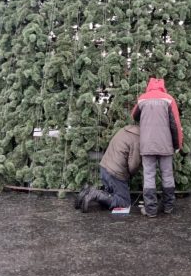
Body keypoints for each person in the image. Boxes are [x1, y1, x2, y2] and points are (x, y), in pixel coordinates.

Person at [132, 77, 183, 217]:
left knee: (149, 175)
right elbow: (175, 124)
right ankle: (168, 207)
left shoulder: (142, 99)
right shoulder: (168, 99)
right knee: (167, 174)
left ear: (149, 86)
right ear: (162, 86)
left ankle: (151, 210)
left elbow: (134, 116)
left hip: (147, 144)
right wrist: (177, 144)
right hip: (165, 145)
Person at [78, 123, 141, 213]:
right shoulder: (138, 139)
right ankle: (95, 194)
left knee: (111, 196)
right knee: (125, 203)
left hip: (104, 167)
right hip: (116, 173)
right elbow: (133, 166)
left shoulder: (125, 130)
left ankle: (88, 190)